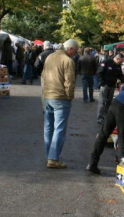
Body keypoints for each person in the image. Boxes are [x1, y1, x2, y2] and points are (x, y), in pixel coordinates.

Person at [42, 39, 79, 169]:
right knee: (59, 129)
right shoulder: (68, 61)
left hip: (48, 96)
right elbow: (70, 81)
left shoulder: (50, 57)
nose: (76, 53)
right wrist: (69, 97)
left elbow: (43, 76)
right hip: (60, 98)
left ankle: (49, 155)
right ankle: (53, 158)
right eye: (75, 50)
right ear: (70, 49)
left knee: (48, 127)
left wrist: (44, 95)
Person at [96, 53, 124, 124]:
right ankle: (100, 117)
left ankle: (106, 117)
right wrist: (102, 83)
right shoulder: (106, 62)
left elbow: (120, 74)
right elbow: (99, 72)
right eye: (121, 61)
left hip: (112, 85)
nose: (121, 63)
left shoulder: (118, 66)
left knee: (109, 102)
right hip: (105, 85)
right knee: (102, 102)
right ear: (117, 58)